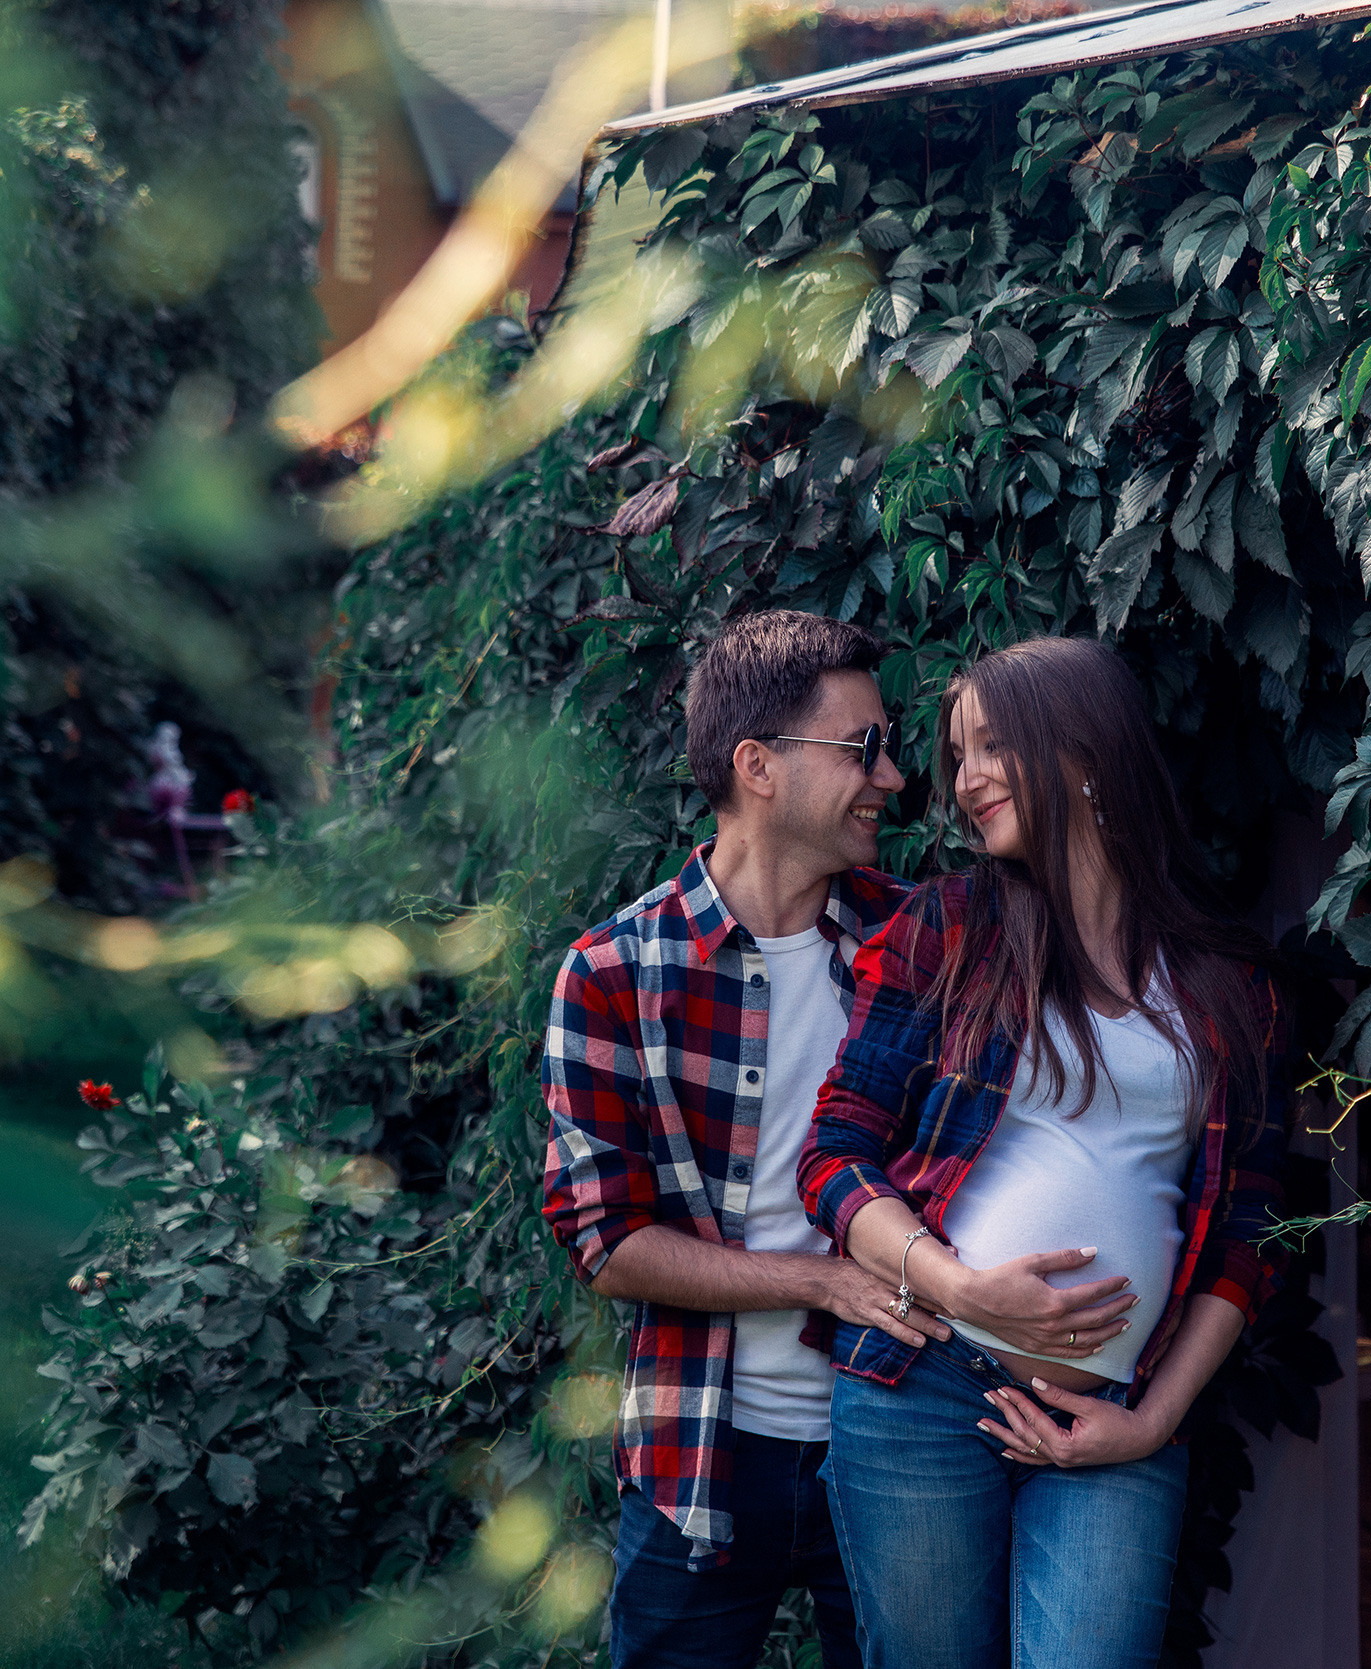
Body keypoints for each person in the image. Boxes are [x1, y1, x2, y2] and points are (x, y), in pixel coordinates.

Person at [799, 635, 1292, 1669]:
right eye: (956, 753)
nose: (963, 778)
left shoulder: (1225, 981)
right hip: (925, 1385)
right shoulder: (946, 930)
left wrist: (1152, 1421)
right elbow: (835, 1155)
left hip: (1108, 1414)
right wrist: (964, 1291)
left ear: (1083, 747)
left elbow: (1251, 1230)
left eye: (991, 747)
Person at [542, 610, 947, 1669]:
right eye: (862, 747)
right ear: (758, 765)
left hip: (899, 1437)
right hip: (701, 1444)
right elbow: (603, 1238)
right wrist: (816, 1283)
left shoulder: (922, 948)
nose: (892, 776)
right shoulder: (613, 972)